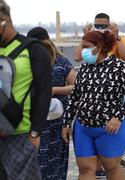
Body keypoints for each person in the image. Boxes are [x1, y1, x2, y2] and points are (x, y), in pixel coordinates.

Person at [62, 30, 125, 180]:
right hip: (83, 127)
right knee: (85, 169)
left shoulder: (119, 66)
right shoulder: (84, 68)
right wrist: (66, 122)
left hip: (110, 129)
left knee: (111, 167)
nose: (83, 50)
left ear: (99, 46)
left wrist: (118, 117)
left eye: (86, 46)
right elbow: (76, 96)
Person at [0, 1, 52, 179]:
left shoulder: (34, 49)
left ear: (3, 21)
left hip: (21, 134)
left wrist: (35, 132)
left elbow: (45, 91)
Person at [27, 27, 76, 180]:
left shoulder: (61, 61)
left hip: (57, 121)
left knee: (57, 161)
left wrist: (55, 90)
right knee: (35, 162)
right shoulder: (27, 61)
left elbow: (76, 86)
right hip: (35, 122)